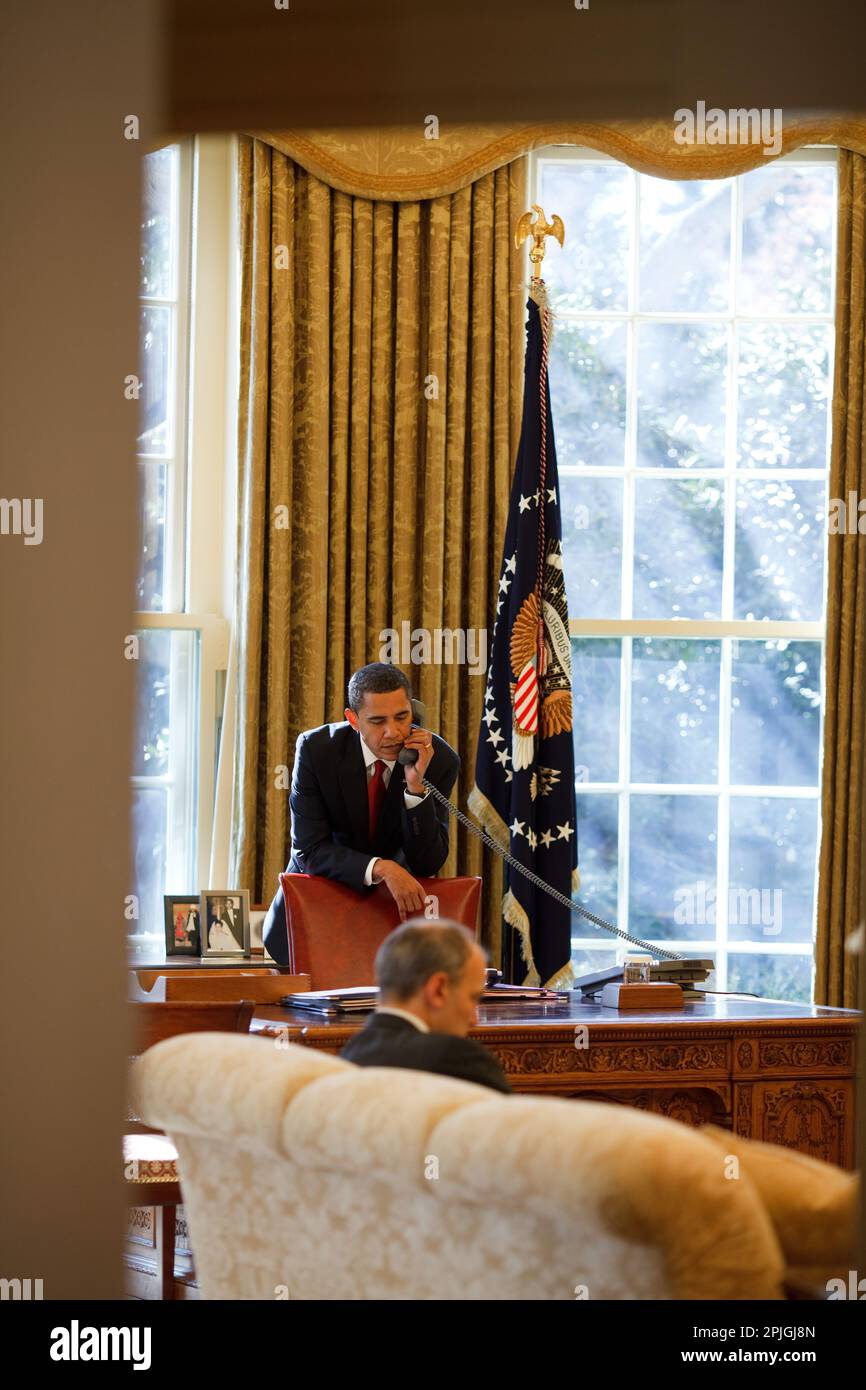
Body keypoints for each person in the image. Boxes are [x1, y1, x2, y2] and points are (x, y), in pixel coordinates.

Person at [263, 663, 460, 966]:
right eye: (378, 721)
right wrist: (382, 868)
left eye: (402, 717)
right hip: (311, 921)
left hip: (388, 928)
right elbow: (309, 849)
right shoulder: (317, 750)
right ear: (353, 720)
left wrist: (416, 790)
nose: (393, 732)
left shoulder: (438, 760)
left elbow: (427, 862)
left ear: (414, 710)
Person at [341, 920, 511, 1094]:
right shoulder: (457, 1059)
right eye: (473, 998)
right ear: (438, 989)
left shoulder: (350, 1055)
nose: (474, 1020)